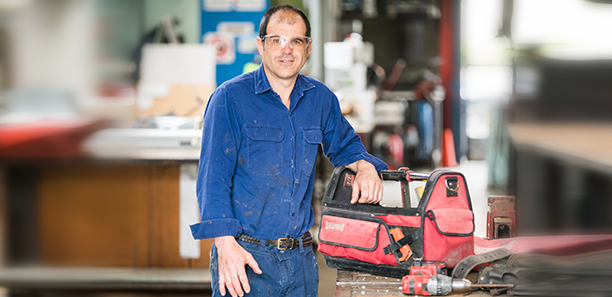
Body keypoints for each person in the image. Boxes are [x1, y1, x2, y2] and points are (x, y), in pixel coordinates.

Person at [190, 5, 387, 297]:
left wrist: (366, 167)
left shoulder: (320, 98)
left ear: (307, 48)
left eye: (296, 41)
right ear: (261, 45)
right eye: (277, 40)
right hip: (246, 255)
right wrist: (225, 244)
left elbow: (345, 144)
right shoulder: (229, 98)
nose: (287, 49)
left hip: (301, 260)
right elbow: (212, 180)